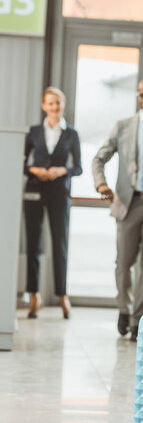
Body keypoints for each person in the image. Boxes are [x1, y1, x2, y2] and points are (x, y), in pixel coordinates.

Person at [92, 76, 143, 341]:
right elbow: (99, 158)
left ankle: (140, 318)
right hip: (128, 203)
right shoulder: (123, 126)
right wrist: (101, 184)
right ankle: (124, 309)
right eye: (141, 95)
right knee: (123, 262)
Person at [24, 87, 82, 319]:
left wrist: (62, 170)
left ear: (62, 105)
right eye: (50, 103)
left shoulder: (71, 134)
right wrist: (32, 169)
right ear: (43, 106)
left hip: (58, 192)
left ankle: (62, 295)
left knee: (59, 245)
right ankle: (34, 294)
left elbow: (78, 168)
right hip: (35, 191)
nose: (54, 108)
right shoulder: (34, 132)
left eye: (57, 103)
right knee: (33, 245)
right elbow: (20, 162)